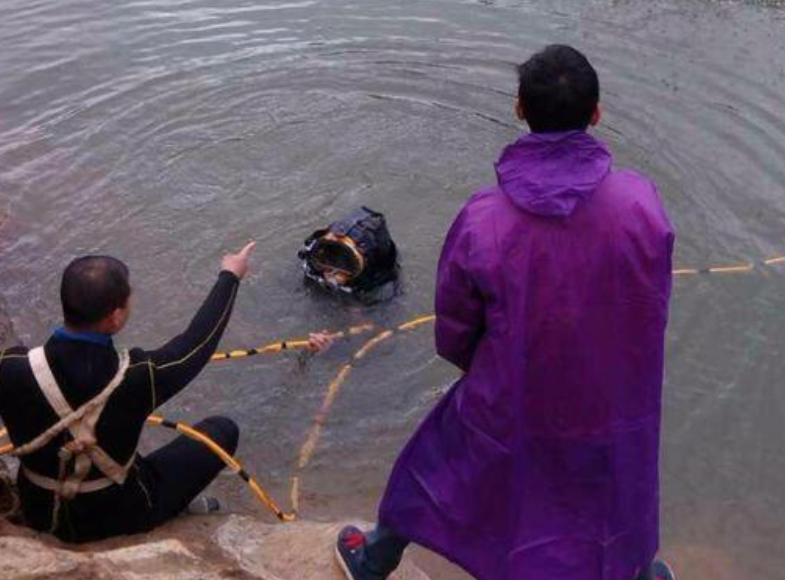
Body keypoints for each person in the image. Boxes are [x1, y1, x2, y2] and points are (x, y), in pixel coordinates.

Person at [335, 45, 676, 580]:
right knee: (614, 482)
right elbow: (651, 307)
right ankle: (634, 570)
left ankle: (375, 557)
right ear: (597, 113)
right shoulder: (641, 205)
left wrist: (492, 373)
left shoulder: (484, 219)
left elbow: (454, 330)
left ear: (519, 108)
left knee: (439, 465)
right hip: (611, 394)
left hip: (513, 392)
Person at [0, 242, 332, 543]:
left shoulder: (12, 365)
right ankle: (177, 510)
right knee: (221, 431)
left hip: (39, 510)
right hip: (119, 516)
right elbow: (197, 344)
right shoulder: (136, 377)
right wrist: (230, 276)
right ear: (115, 318)